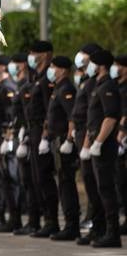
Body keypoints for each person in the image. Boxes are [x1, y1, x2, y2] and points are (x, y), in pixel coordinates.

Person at [82, 48, 122, 248]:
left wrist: (98, 142)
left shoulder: (108, 86)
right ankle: (101, 229)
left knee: (106, 189)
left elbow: (110, 117)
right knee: (98, 189)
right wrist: (88, 144)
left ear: (101, 65)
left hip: (105, 146)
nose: (90, 66)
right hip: (96, 142)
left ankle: (113, 233)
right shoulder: (98, 85)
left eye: (93, 62)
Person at [22, 40, 55, 237]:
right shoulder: (36, 78)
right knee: (35, 179)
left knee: (44, 178)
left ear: (46, 54)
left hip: (42, 133)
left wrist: (45, 135)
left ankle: (51, 220)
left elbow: (49, 111)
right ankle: (42, 220)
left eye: (35, 52)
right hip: (32, 131)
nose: (32, 56)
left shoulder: (46, 79)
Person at [70, 43, 102, 244]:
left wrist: (89, 142)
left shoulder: (95, 83)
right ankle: (96, 226)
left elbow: (95, 116)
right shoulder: (86, 80)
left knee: (96, 186)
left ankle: (100, 227)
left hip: (90, 137)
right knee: (90, 184)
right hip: (82, 135)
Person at [44, 56, 79, 240]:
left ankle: (72, 226)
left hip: (64, 142)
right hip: (56, 141)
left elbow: (72, 117)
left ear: (63, 70)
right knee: (63, 183)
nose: (51, 70)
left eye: (54, 67)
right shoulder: (58, 88)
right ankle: (68, 224)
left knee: (67, 184)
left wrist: (69, 140)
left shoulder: (66, 88)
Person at [0, 55, 20, 233]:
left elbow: (11, 117)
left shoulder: (8, 87)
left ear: (2, 67)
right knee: (4, 178)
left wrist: (8, 139)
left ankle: (15, 218)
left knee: (10, 178)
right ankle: (10, 218)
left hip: (6, 137)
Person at [9, 53, 36, 235]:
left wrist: (24, 135)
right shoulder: (20, 85)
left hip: (29, 136)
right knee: (24, 180)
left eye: (18, 64)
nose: (16, 67)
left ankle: (34, 220)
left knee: (30, 181)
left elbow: (30, 114)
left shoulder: (29, 85)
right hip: (20, 134)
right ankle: (26, 220)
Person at [111, 55, 127, 234]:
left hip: (121, 138)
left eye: (119, 65)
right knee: (119, 181)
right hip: (116, 138)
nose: (116, 68)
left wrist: (122, 134)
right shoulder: (116, 86)